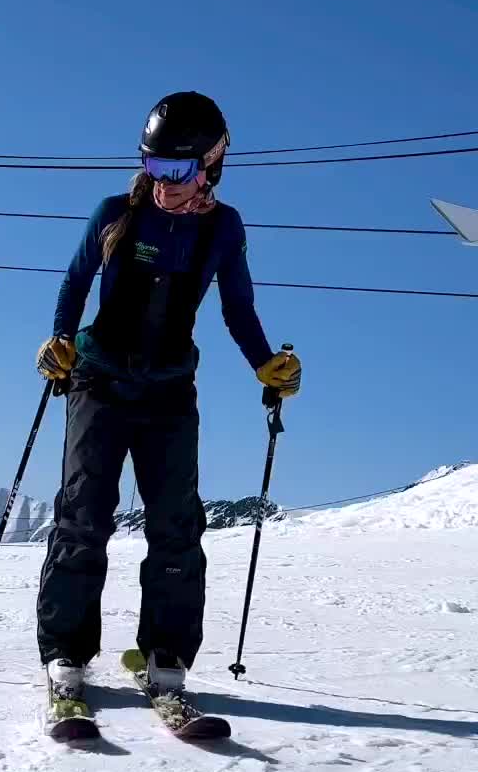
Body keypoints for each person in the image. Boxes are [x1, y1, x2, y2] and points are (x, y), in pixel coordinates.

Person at [34, 90, 301, 718]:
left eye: (176, 170)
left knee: (177, 526)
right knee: (83, 515)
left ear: (211, 164)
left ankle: (164, 658)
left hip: (170, 392)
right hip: (98, 382)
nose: (163, 183)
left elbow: (238, 308)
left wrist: (264, 362)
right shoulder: (113, 213)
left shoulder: (222, 228)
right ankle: (66, 657)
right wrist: (60, 342)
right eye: (152, 166)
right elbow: (74, 285)